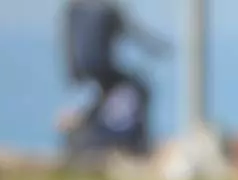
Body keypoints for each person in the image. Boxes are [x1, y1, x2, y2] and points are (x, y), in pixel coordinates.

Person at [59, 0, 168, 159]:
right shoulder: (104, 11)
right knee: (137, 90)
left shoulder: (75, 11)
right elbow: (136, 34)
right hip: (100, 75)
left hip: (89, 77)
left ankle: (117, 143)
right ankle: (130, 146)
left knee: (132, 90)